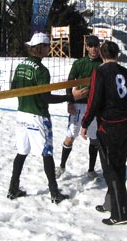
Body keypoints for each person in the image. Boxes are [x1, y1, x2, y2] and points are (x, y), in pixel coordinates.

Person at [7, 32, 87, 204]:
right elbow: (46, 98)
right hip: (37, 116)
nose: (49, 49)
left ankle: (13, 188)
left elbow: (13, 87)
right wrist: (70, 97)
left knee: (21, 153)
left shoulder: (21, 65)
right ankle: (54, 193)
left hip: (21, 114)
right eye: (47, 46)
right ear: (41, 48)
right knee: (47, 154)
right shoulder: (42, 71)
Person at [80, 41, 127, 225]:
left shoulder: (100, 71)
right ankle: (110, 203)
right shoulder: (126, 72)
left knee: (110, 169)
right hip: (126, 124)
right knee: (119, 165)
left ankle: (121, 213)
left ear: (102, 55)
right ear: (118, 55)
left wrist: (85, 123)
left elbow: (94, 99)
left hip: (109, 125)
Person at [56, 35, 103, 180]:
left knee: (94, 139)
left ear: (98, 46)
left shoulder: (102, 63)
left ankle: (91, 170)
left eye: (96, 45)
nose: (94, 48)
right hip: (78, 105)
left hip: (94, 106)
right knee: (70, 137)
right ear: (87, 47)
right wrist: (70, 101)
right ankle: (62, 166)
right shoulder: (79, 63)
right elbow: (69, 82)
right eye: (91, 45)